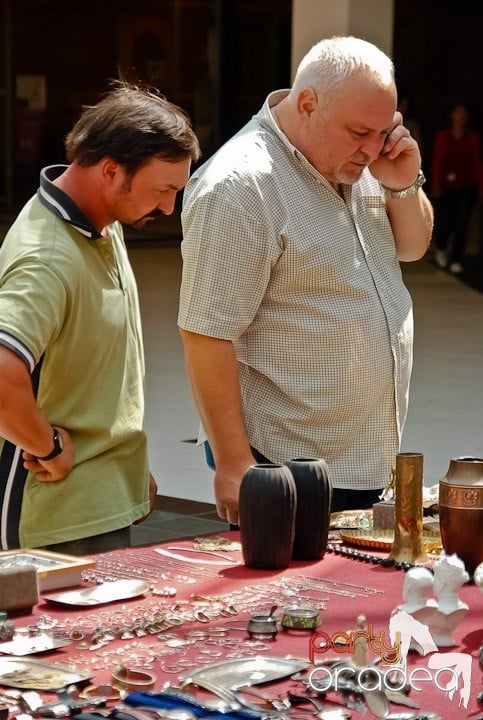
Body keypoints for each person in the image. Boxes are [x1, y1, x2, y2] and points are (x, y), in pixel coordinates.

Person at [178, 36, 433, 526]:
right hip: (283, 464)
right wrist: (233, 464)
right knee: (290, 603)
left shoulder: (365, 163)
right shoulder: (240, 186)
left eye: (383, 131)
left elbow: (413, 246)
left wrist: (403, 182)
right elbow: (207, 332)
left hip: (363, 455)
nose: (372, 148)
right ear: (308, 102)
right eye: (360, 131)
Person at [0, 81, 200, 553]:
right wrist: (46, 445)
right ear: (111, 171)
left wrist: (127, 473)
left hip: (99, 505)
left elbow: (95, 377)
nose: (169, 207)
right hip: (55, 524)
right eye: (163, 189)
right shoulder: (48, 256)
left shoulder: (99, 224)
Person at [431, 103, 481, 274]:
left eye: (463, 113)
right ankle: (442, 248)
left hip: (466, 187)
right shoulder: (443, 137)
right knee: (444, 223)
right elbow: (438, 161)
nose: (460, 116)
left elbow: (476, 163)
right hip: (446, 188)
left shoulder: (472, 138)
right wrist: (436, 185)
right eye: (457, 113)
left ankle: (457, 258)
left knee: (461, 224)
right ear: (452, 115)